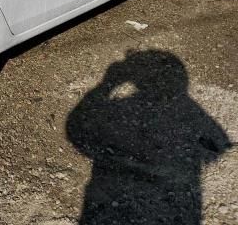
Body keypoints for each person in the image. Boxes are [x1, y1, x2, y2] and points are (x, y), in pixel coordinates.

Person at [66, 50, 231, 224]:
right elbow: (217, 149)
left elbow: (75, 131)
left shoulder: (124, 108)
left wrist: (108, 83)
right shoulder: (192, 112)